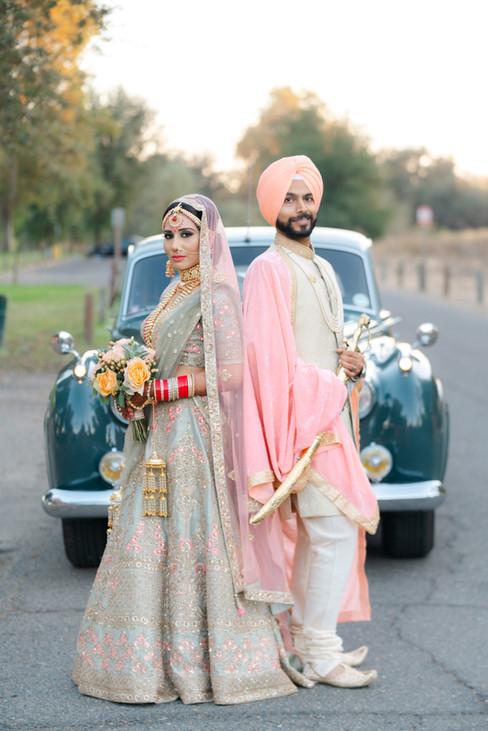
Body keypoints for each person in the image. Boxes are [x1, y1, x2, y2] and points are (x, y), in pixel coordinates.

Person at [73, 194, 312, 705]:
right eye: (169, 234)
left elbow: (231, 373)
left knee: (189, 536)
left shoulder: (218, 294)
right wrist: (128, 383)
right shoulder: (173, 291)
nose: (176, 243)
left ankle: (209, 662)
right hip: (158, 434)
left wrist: (160, 389)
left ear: (208, 239)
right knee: (148, 534)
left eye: (186, 234)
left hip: (195, 439)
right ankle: (140, 662)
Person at [243, 156, 380, 688]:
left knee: (325, 532)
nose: (300, 209)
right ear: (271, 205)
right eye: (289, 199)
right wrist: (327, 387)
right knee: (333, 530)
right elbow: (268, 361)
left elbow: (325, 347)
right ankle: (319, 651)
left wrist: (352, 365)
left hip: (328, 417)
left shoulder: (322, 267)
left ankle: (309, 644)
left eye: (307, 198)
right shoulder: (268, 269)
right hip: (299, 424)